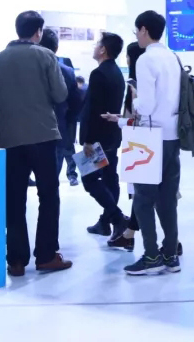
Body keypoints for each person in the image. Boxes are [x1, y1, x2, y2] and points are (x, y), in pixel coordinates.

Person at [0, 11, 72, 277]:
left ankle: (16, 260)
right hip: (43, 136)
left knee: (14, 199)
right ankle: (46, 256)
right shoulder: (46, 56)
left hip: (9, 140)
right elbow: (60, 94)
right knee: (48, 197)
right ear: (38, 32)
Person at [103, 11, 182, 276]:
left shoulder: (146, 59)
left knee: (143, 199)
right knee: (168, 199)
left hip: (149, 137)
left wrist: (135, 99)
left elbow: (146, 106)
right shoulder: (172, 56)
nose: (136, 35)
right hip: (172, 134)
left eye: (137, 30)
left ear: (144, 30)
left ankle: (151, 255)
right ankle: (170, 254)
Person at [79, 32, 129, 241]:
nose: (94, 47)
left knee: (89, 179)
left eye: (96, 44)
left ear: (103, 49)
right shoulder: (116, 72)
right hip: (112, 135)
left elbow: (94, 110)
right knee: (110, 178)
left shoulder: (98, 74)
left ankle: (117, 217)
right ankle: (105, 222)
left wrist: (88, 140)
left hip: (98, 138)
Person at [107, 42, 146, 251]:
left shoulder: (135, 84)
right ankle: (129, 233)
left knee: (144, 192)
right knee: (147, 192)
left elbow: (137, 118)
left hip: (140, 143)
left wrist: (120, 120)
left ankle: (170, 242)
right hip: (143, 142)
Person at [39, 29, 82, 187]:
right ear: (56, 47)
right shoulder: (67, 71)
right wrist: (68, 120)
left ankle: (71, 174)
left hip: (29, 132)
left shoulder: (26, 70)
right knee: (51, 181)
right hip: (58, 127)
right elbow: (75, 102)